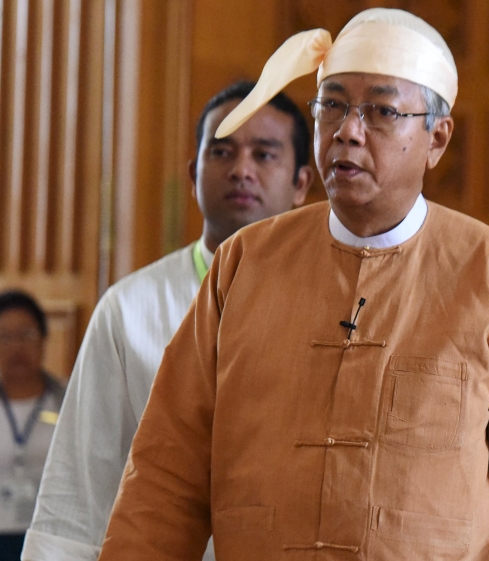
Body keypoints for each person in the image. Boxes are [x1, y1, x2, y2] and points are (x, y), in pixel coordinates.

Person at [96, 8, 489, 561]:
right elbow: (166, 472)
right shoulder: (245, 263)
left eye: (380, 111)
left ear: (437, 138)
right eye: (332, 105)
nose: (348, 130)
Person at [21, 81, 313, 561]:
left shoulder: (337, 307)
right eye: (222, 151)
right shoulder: (129, 310)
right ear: (194, 175)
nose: (241, 169)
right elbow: (79, 490)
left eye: (264, 155)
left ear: (302, 183)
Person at [0, 291, 63, 561]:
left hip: (51, 536)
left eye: (26, 335)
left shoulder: (69, 399)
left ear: (44, 340)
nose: (17, 348)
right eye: (4, 337)